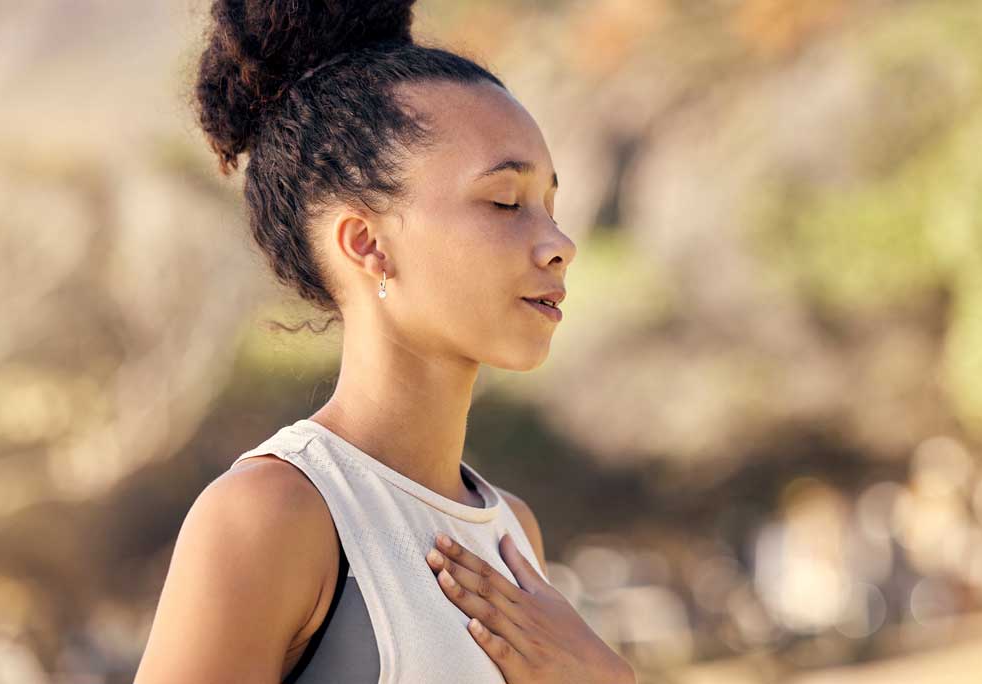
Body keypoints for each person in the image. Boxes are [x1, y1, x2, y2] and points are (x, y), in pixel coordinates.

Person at [134, 1, 636, 682]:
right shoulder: (273, 515)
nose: (559, 245)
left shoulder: (512, 531)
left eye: (550, 205)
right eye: (504, 202)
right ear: (367, 243)